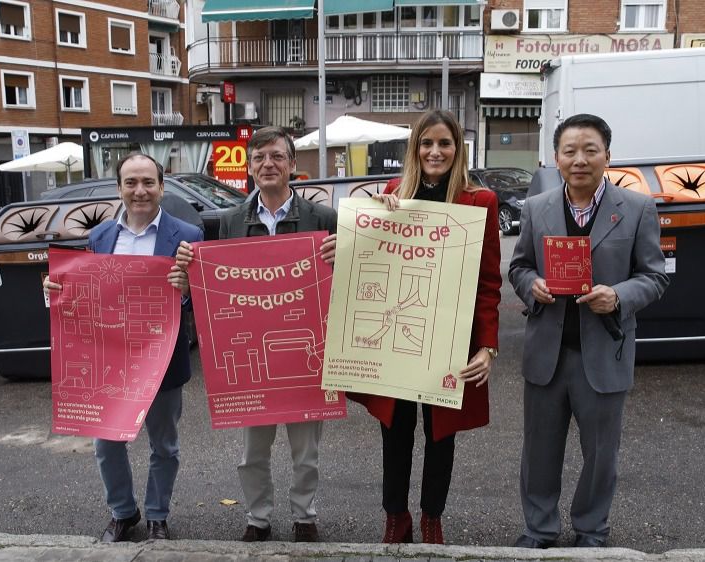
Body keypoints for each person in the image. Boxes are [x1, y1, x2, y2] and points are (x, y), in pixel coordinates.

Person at [508, 113, 669, 548]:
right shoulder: (537, 208)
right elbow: (519, 266)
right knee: (539, 451)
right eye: (570, 151)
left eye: (590, 150)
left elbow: (655, 276)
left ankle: (591, 529)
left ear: (607, 157)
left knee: (600, 455)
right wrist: (531, 286)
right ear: (556, 158)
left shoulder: (636, 208)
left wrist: (617, 296)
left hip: (605, 350)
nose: (580, 159)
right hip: (547, 351)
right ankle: (539, 528)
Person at [178, 126, 337, 543]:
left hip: (307, 355)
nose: (268, 164)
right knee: (252, 454)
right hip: (251, 364)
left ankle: (305, 515)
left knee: (307, 452)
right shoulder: (230, 221)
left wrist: (343, 260)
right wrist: (188, 271)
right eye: (260, 157)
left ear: (292, 165)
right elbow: (215, 290)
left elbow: (344, 282)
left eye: (277, 157)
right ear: (249, 168)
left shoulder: (323, 218)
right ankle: (258, 518)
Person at [351, 109, 502, 545]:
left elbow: (489, 281)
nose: (435, 152)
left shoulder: (480, 201)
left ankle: (432, 517)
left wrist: (487, 346)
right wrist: (377, 215)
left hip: (451, 340)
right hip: (399, 335)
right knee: (394, 433)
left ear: (458, 149)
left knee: (441, 436)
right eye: (426, 143)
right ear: (414, 149)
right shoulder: (394, 192)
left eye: (445, 143)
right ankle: (395, 517)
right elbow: (373, 258)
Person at [44, 152, 203, 542]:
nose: (140, 190)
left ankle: (157, 515)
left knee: (163, 445)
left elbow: (202, 300)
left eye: (148, 182)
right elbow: (89, 292)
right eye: (131, 183)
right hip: (110, 360)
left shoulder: (188, 235)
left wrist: (186, 292)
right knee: (106, 444)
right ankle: (122, 511)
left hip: (162, 361)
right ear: (119, 189)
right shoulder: (101, 236)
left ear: (162, 187)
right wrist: (54, 292)